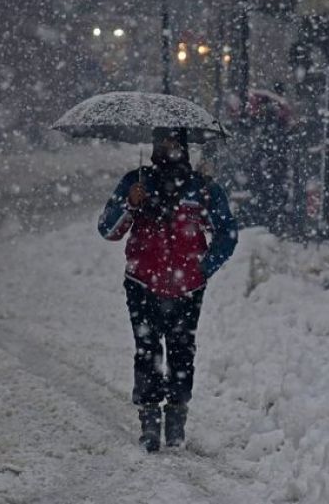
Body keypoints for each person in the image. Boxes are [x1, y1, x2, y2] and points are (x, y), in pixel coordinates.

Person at [98, 127, 238, 452]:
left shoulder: (202, 190)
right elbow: (107, 228)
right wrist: (130, 205)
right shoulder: (137, 182)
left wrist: (203, 268)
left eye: (176, 142)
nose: (169, 148)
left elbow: (227, 233)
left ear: (186, 147)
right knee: (147, 351)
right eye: (164, 142)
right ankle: (149, 421)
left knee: (181, 352)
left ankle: (176, 420)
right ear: (154, 145)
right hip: (141, 284)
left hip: (187, 288)